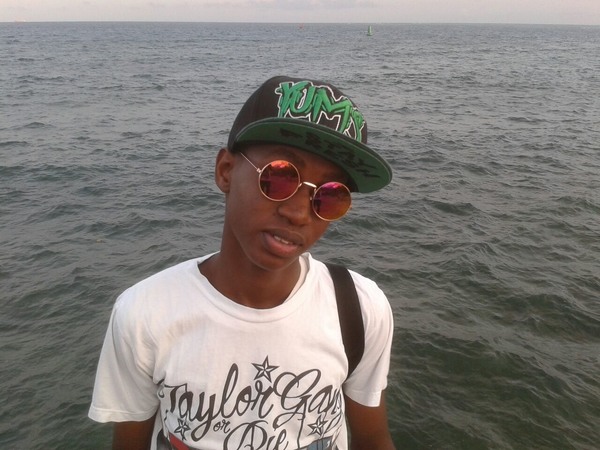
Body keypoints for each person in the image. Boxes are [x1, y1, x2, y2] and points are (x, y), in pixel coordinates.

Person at [89, 75, 396, 450]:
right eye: (280, 177)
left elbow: (373, 439)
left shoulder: (359, 309)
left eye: (331, 195)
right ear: (226, 171)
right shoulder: (144, 314)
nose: (299, 213)